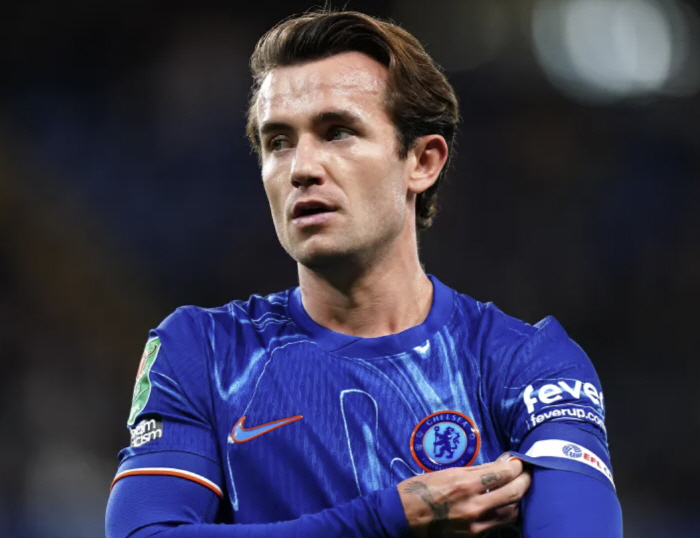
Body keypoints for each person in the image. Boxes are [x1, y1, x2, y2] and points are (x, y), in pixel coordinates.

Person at [106, 9, 622, 538]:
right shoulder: (204, 352)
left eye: (338, 132)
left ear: (422, 161)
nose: (301, 168)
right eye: (278, 141)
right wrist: (386, 520)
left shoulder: (526, 366)